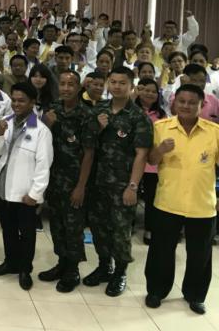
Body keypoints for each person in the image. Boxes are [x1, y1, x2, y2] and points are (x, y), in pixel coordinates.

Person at [144, 84, 219, 314]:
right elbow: (151, 160)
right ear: (174, 102)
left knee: (200, 254)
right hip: (168, 201)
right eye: (182, 101)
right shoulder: (161, 127)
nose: (186, 106)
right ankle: (156, 291)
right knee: (161, 250)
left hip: (202, 204)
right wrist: (160, 150)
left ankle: (195, 295)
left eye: (192, 102)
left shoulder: (214, 131)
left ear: (202, 105)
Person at [83, 66, 152, 296]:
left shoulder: (138, 117)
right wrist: (98, 127)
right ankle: (105, 266)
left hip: (123, 185)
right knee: (98, 227)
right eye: (113, 82)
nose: (117, 86)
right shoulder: (99, 109)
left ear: (131, 86)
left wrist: (133, 186)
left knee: (120, 231)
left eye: (122, 83)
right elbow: (87, 143)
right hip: (98, 182)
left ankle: (120, 272)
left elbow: (142, 155)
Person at [0, 82, 53, 290]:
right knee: (8, 229)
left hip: (25, 193)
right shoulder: (5, 122)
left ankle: (25, 269)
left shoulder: (41, 131)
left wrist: (35, 193)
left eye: (21, 101)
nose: (16, 104)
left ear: (32, 102)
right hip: (4, 187)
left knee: (26, 233)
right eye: (14, 100)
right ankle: (10, 263)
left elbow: (44, 165)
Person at [38, 71, 94, 292]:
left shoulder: (86, 115)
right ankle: (61, 263)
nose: (66, 88)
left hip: (74, 181)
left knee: (73, 227)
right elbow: (42, 141)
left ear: (79, 88)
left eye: (71, 84)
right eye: (62, 84)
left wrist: (81, 187)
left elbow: (89, 153)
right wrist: (47, 123)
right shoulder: (53, 110)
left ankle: (73, 270)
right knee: (57, 225)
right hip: (54, 179)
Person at [135, 78, 167, 244]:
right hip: (133, 162)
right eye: (146, 90)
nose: (150, 94)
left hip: (152, 165)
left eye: (153, 91)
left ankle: (149, 229)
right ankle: (128, 225)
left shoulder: (161, 115)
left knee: (151, 198)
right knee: (131, 194)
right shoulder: (131, 110)